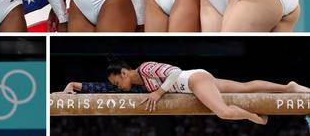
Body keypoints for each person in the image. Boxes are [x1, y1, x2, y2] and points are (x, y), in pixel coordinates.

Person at [105, 54, 310, 125]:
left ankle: (257, 118)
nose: (119, 88)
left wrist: (159, 93)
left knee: (224, 112)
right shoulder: (142, 83)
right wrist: (75, 85)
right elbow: (103, 88)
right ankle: (288, 87)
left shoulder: (146, 68)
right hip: (197, 81)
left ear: (123, 73)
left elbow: (175, 71)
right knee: (244, 87)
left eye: (117, 83)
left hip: (193, 80)